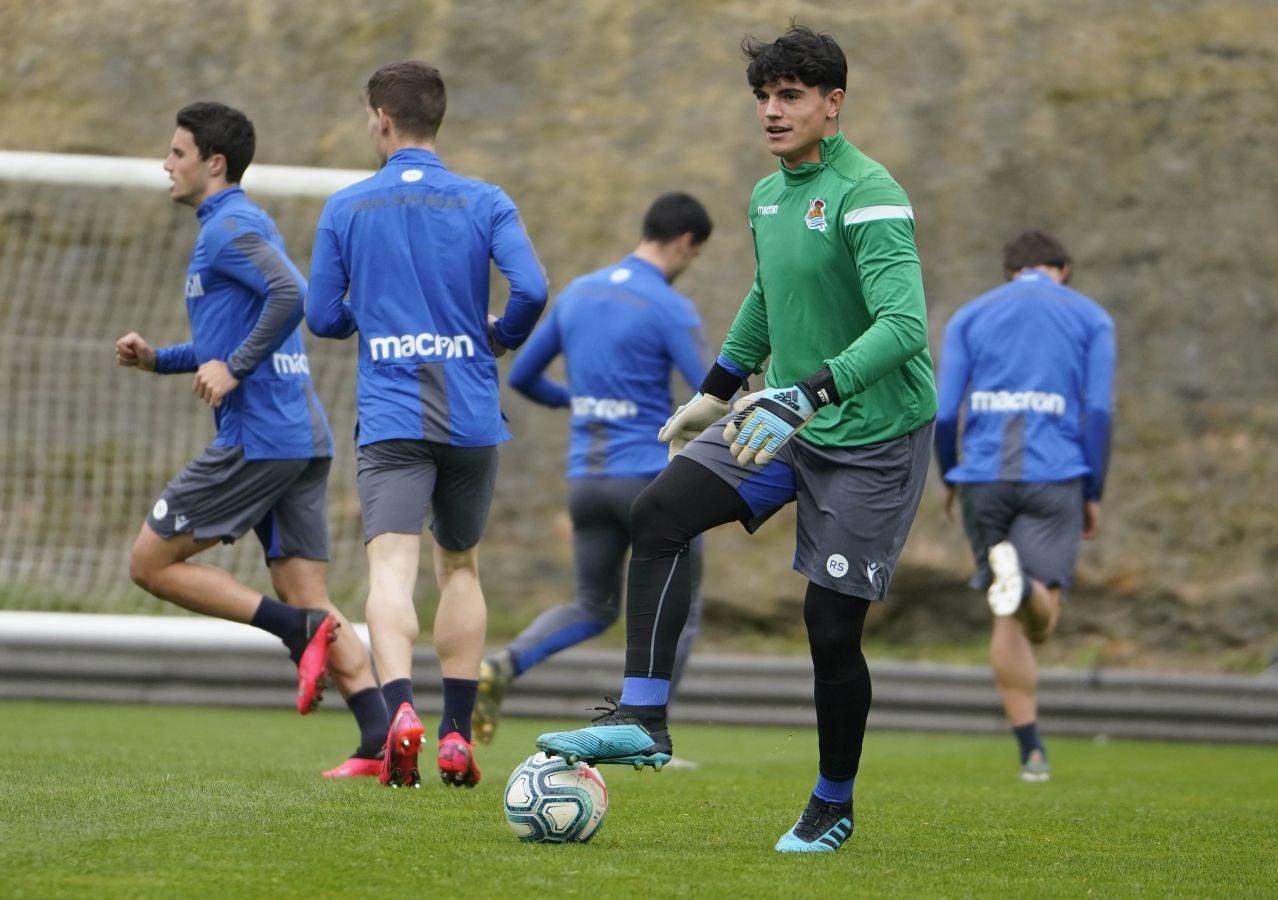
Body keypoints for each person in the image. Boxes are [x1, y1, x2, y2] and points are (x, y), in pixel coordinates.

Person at [536, 25, 936, 854]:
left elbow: (904, 327)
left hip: (871, 437)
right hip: (784, 418)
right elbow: (766, 295)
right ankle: (645, 717)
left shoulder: (872, 194)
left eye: (790, 95)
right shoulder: (767, 195)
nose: (772, 110)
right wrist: (716, 391)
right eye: (763, 96)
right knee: (659, 512)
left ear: (834, 103)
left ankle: (833, 802)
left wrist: (807, 392)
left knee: (829, 628)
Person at [115, 101, 389, 778]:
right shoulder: (237, 223)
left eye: (177, 153)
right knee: (309, 592)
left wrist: (233, 370)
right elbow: (223, 343)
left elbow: (291, 296)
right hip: (299, 432)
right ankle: (381, 738)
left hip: (263, 436)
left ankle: (293, 633)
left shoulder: (228, 226)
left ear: (213, 163)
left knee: (149, 564)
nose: (166, 164)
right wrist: (160, 360)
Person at [306, 61, 548, 790]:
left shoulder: (347, 206)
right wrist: (498, 336)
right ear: (436, 120)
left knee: (389, 571)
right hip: (470, 412)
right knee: (459, 567)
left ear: (380, 117)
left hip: (391, 416)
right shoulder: (485, 201)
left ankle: (401, 712)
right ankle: (453, 734)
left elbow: (320, 315)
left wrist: (373, 316)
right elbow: (532, 289)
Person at [473, 192, 714, 746]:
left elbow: (523, 376)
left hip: (588, 479)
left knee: (593, 604)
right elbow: (711, 385)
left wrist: (574, 401)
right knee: (682, 607)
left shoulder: (579, 292)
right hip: (651, 481)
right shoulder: (668, 305)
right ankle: (648, 732)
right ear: (684, 244)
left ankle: (506, 663)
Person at [934, 229, 1116, 783]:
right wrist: (1093, 492)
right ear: (1062, 267)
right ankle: (1026, 584)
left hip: (982, 477)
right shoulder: (1091, 318)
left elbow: (943, 413)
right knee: (1039, 621)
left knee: (1004, 613)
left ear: (1009, 270)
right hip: (1053, 474)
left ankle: (1031, 750)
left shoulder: (970, 315)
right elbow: (1099, 413)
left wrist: (951, 476)